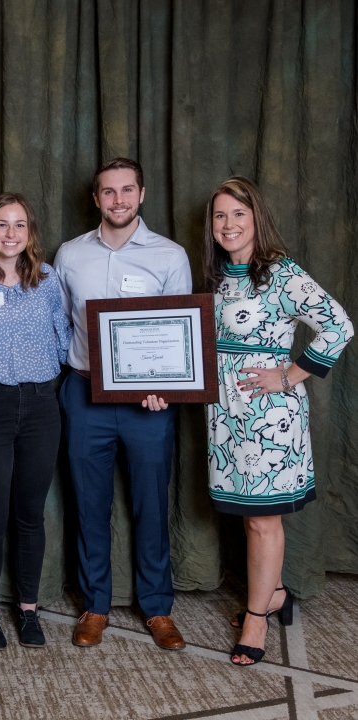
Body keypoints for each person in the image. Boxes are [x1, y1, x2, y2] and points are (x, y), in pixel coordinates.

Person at [203, 176, 353, 666]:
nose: (228, 224)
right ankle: (275, 594)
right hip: (226, 415)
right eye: (220, 215)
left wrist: (289, 375)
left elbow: (339, 324)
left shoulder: (280, 273)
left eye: (238, 214)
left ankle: (256, 619)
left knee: (264, 521)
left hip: (269, 415)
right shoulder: (221, 275)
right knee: (251, 517)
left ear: (257, 218)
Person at [54, 157, 192, 650]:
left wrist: (167, 388)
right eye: (108, 192)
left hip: (147, 404)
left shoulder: (170, 255)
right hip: (84, 392)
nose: (118, 200)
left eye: (127, 190)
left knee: (150, 504)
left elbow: (181, 334)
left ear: (142, 193)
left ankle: (157, 608)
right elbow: (60, 325)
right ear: (96, 199)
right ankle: (95, 605)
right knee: (89, 504)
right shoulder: (69, 255)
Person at [0, 193, 71, 651]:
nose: (10, 234)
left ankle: (28, 610)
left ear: (30, 232)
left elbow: (64, 338)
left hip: (41, 407)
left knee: (30, 515)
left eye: (19, 225)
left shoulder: (47, 280)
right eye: (1, 224)